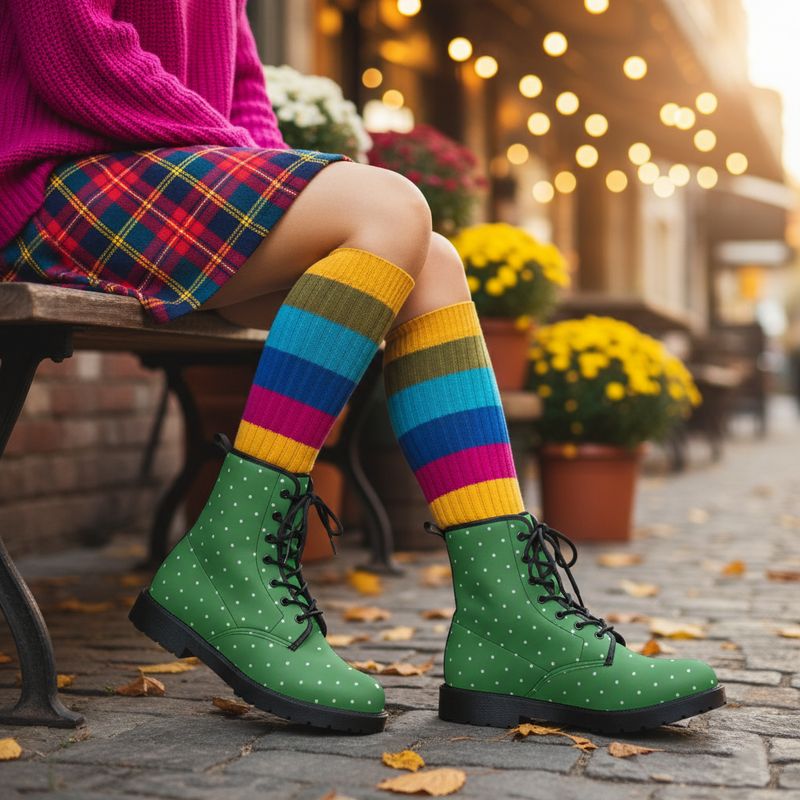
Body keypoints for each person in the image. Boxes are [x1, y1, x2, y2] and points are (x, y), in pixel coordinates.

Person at [1, 0, 724, 735]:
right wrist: (250, 166)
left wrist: (262, 167)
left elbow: (244, 80)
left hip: (159, 183)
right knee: (390, 209)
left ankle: (507, 618)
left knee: (431, 262)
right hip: (57, 181)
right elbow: (77, 56)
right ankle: (231, 555)